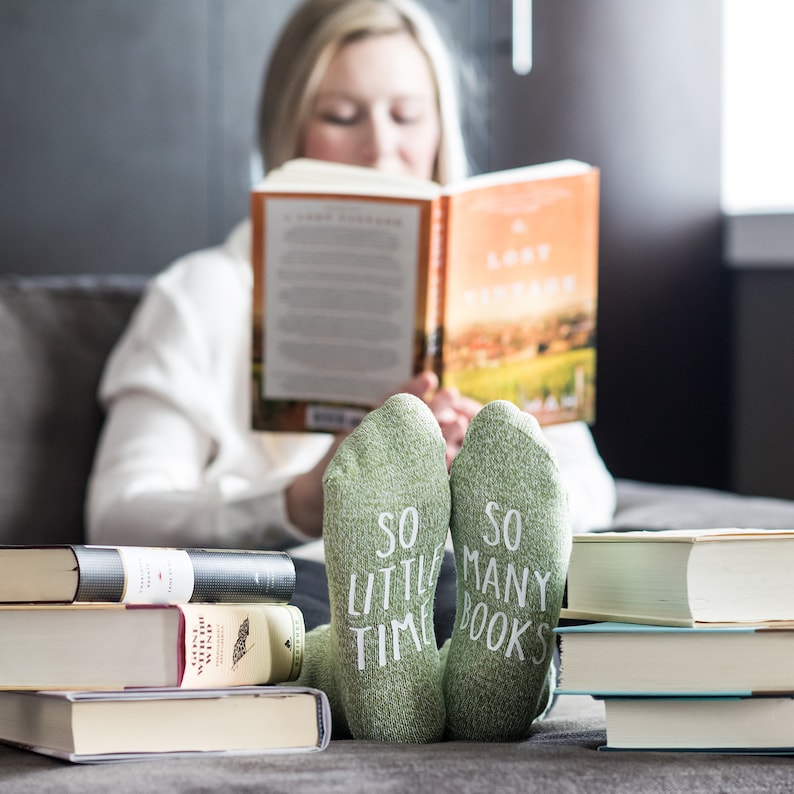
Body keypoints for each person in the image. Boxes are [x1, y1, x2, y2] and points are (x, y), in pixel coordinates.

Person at [86, 0, 615, 554]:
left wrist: (497, 480)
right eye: (341, 116)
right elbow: (118, 519)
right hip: (294, 607)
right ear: (287, 128)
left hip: (463, 608)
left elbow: (590, 493)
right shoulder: (202, 295)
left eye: (406, 116)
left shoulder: (492, 300)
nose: (380, 147)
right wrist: (302, 501)